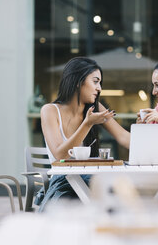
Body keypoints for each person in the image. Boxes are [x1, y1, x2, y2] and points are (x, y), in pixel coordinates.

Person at [36, 57, 130, 211]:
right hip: (63, 182)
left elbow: (124, 138)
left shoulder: (95, 108)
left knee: (118, 191)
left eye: (100, 83)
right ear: (78, 82)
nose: (99, 88)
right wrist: (88, 124)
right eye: (95, 81)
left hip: (91, 179)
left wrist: (150, 133)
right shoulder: (50, 111)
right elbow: (60, 155)